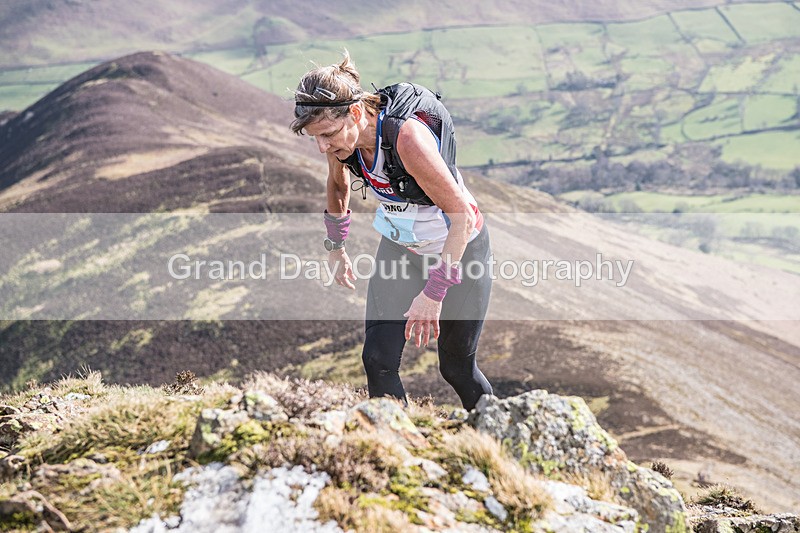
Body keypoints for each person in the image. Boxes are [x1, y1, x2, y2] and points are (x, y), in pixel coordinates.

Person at [291, 51, 493, 410]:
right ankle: (395, 449)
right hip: (402, 250)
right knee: (378, 360)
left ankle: (501, 443)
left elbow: (460, 216)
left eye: (326, 136)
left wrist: (434, 292)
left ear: (355, 113)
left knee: (456, 367)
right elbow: (337, 187)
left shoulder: (408, 140)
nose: (323, 146)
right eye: (314, 138)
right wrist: (335, 248)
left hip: (460, 251)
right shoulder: (341, 138)